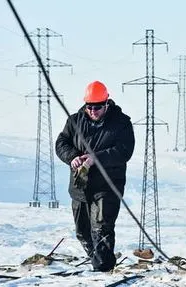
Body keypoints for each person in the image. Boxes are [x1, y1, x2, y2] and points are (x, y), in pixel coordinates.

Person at [55, 80, 135, 272]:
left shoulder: (121, 123)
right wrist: (72, 157)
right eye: (89, 106)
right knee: (83, 232)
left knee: (101, 229)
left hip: (108, 186)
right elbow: (61, 143)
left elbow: (124, 151)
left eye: (97, 107)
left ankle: (103, 271)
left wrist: (95, 159)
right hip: (80, 187)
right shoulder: (74, 121)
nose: (93, 111)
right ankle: (98, 263)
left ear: (106, 103)